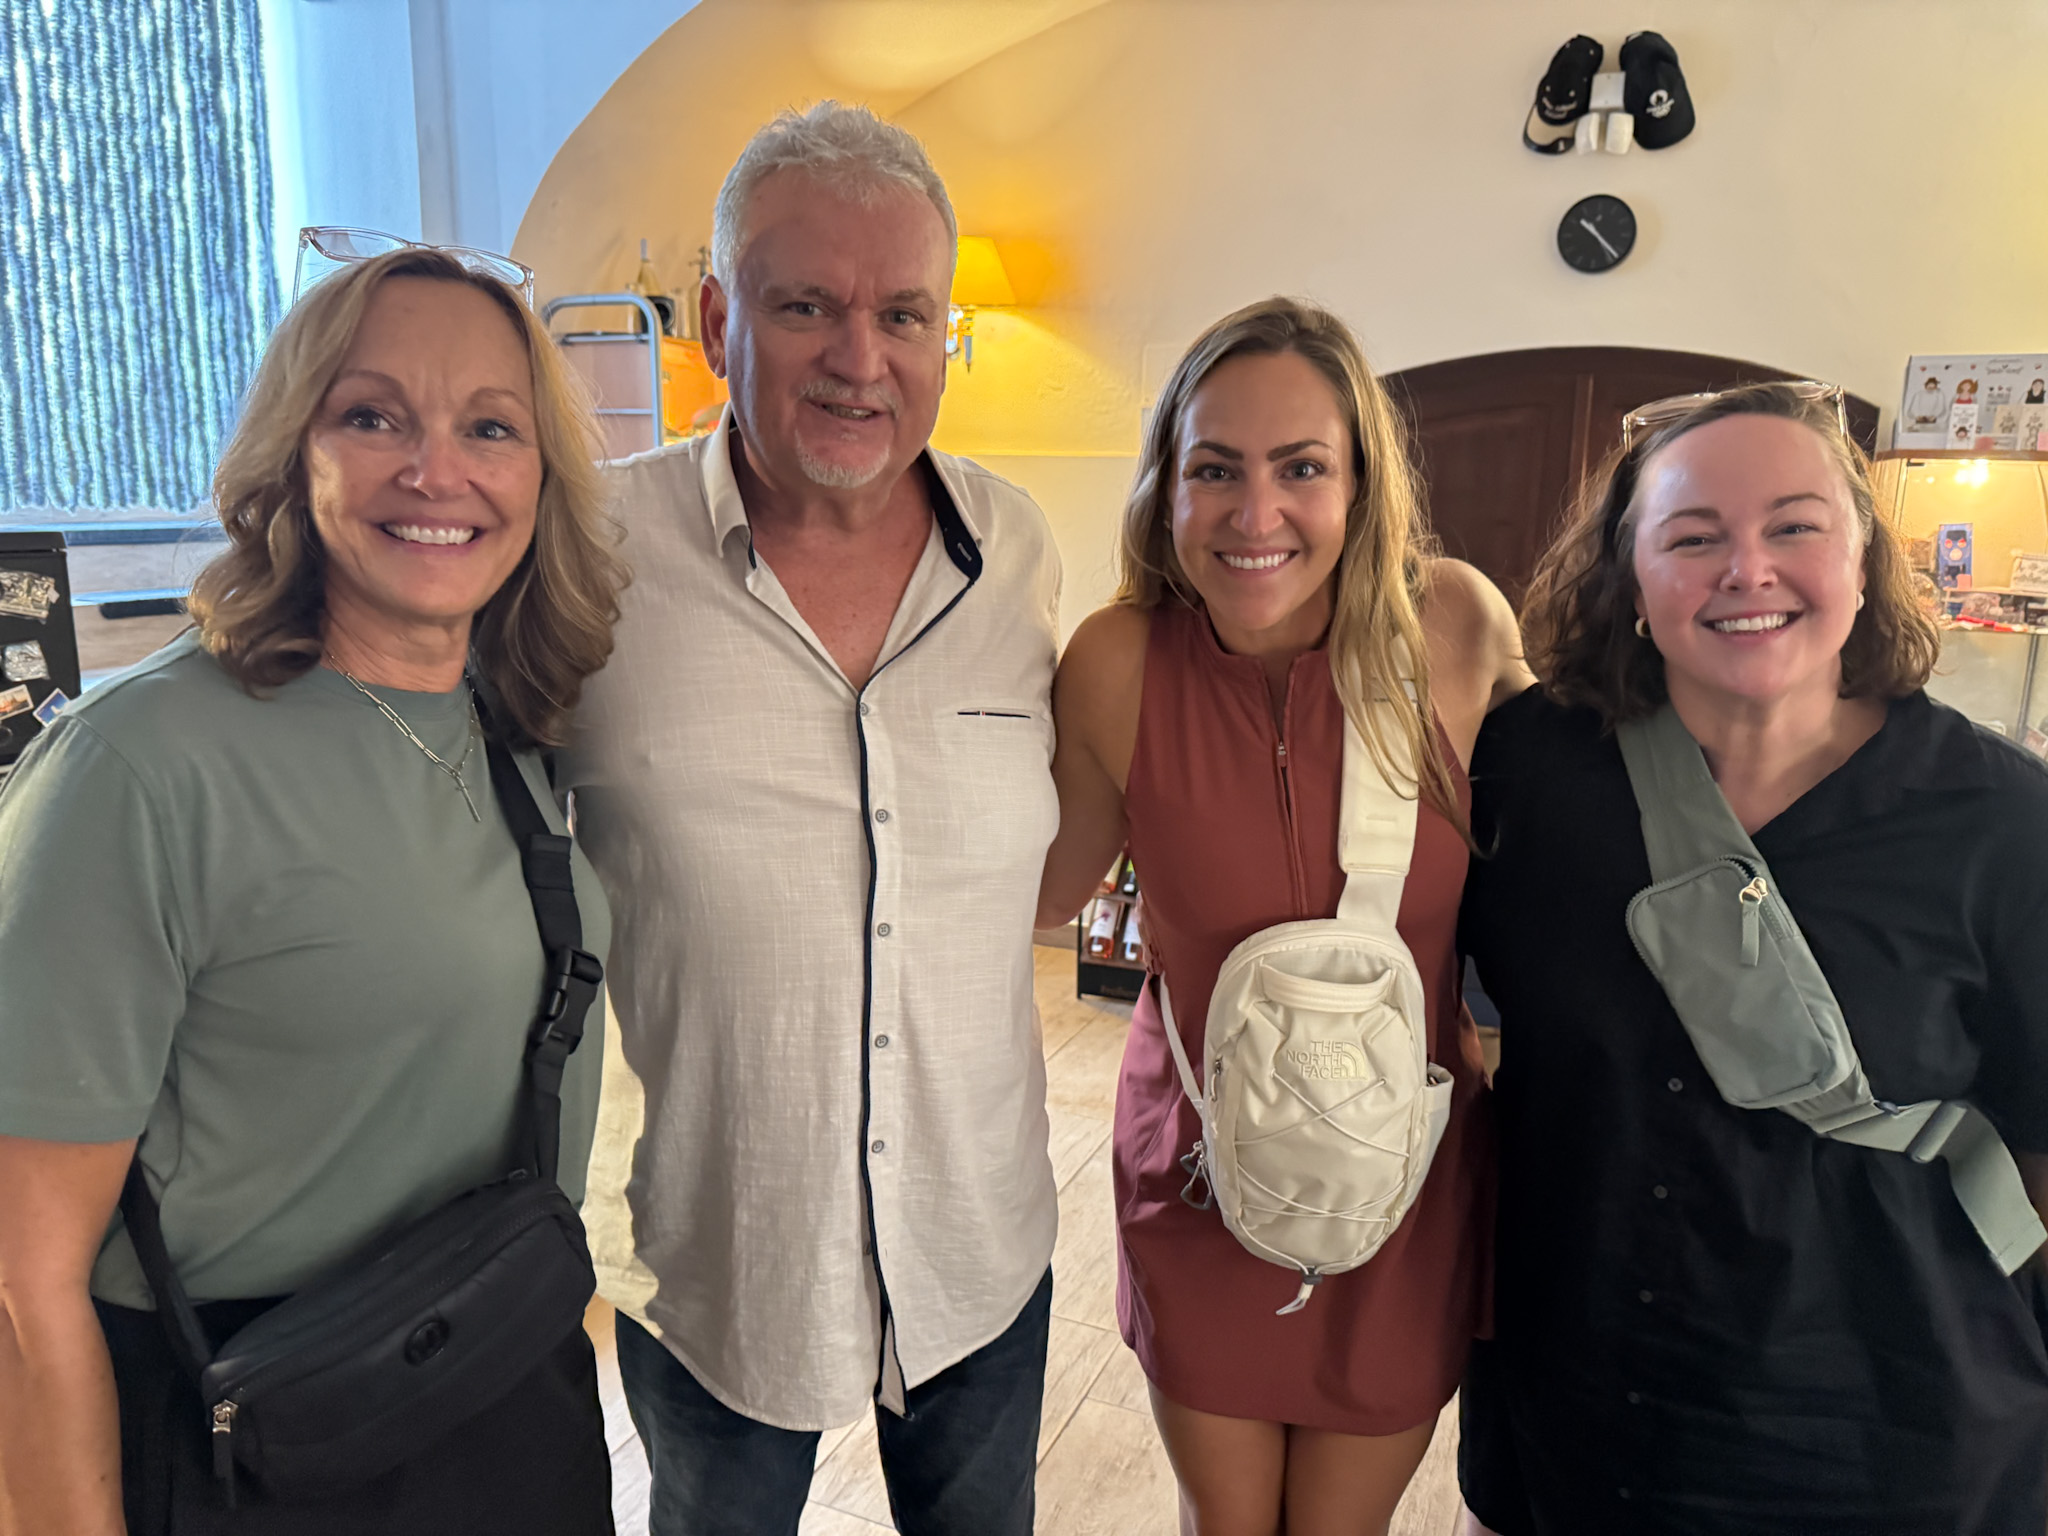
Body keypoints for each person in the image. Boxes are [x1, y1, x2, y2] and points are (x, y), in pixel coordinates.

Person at [0, 245, 627, 1533]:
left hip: (503, 1387)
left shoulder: (510, 729)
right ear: (298, 450)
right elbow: (18, 1283)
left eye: (489, 426)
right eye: (371, 415)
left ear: (538, 477)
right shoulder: (142, 763)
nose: (435, 469)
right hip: (249, 1429)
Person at [557, 102, 1062, 1535]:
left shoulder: (1017, 549)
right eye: (805, 307)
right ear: (718, 319)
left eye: (904, 313)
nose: (861, 358)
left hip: (979, 1242)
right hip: (718, 1250)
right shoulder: (585, 553)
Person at [1457, 381, 2048, 1535]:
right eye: (1692, 537)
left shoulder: (2001, 824)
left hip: (1884, 1434)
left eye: (1793, 526)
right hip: (1576, 1412)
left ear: (1864, 559)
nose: (1747, 569)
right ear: (1627, 580)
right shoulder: (1527, 774)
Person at [1035, 297, 1530, 1536]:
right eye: (1215, 470)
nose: (1256, 516)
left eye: (1300, 468)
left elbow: (1577, 866)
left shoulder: (1455, 634)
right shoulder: (1114, 663)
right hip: (1201, 1176)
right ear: (1165, 489)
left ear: (1360, 485)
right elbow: (1031, 894)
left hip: (1403, 1180)